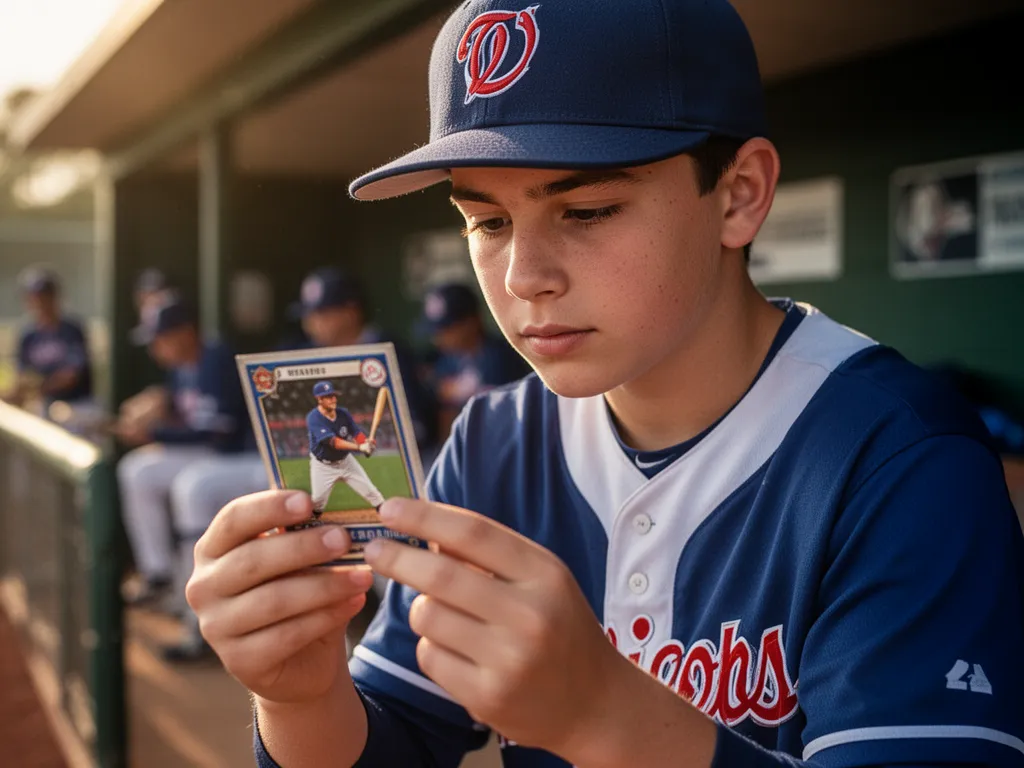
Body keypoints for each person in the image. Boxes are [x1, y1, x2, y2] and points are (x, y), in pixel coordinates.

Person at [188, 2, 1024, 767]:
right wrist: (301, 696)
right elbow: (395, 741)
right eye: (487, 221)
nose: (523, 276)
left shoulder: (905, 458)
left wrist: (607, 719)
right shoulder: (493, 445)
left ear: (738, 195)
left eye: (584, 211)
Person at [116, 295, 249, 610]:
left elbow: (219, 429)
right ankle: (158, 572)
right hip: (201, 452)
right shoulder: (180, 369)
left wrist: (154, 434)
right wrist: (152, 411)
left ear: (186, 333)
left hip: (230, 455)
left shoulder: (216, 359)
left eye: (161, 339)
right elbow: (184, 417)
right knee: (136, 471)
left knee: (177, 483)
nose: (155, 348)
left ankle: (189, 597)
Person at [293, 267, 438, 459]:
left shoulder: (389, 351)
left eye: (322, 313)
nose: (311, 323)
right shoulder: (305, 354)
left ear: (351, 312)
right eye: (308, 315)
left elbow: (417, 426)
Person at [421, 282, 529, 440]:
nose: (439, 338)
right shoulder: (445, 361)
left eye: (448, 329)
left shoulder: (502, 358)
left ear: (472, 321)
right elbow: (446, 417)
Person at [7, 267, 94, 417]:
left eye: (45, 296)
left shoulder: (72, 330)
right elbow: (22, 376)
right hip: (43, 405)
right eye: (34, 297)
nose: (40, 302)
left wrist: (38, 388)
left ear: (55, 297)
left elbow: (71, 375)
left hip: (76, 404)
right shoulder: (28, 334)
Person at [305, 381, 383, 519]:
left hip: (346, 462)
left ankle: (389, 519)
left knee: (373, 493)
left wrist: (366, 443)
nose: (333, 399)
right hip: (323, 466)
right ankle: (310, 525)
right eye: (328, 397)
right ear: (319, 399)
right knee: (317, 501)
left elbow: (356, 432)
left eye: (333, 396)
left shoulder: (343, 413)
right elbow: (333, 442)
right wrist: (359, 447)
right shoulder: (313, 418)